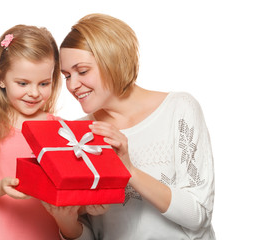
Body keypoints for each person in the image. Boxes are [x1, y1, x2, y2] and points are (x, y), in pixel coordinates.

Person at [44, 13, 216, 239]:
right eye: (66, 75)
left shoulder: (179, 110)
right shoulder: (77, 137)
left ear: (113, 59)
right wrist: (67, 224)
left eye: (82, 71)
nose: (73, 85)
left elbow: (198, 215)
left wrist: (129, 171)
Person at [0, 24, 62, 239]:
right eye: (23, 83)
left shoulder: (62, 130)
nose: (34, 93)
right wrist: (0, 187)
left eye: (44, 83)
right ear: (1, 78)